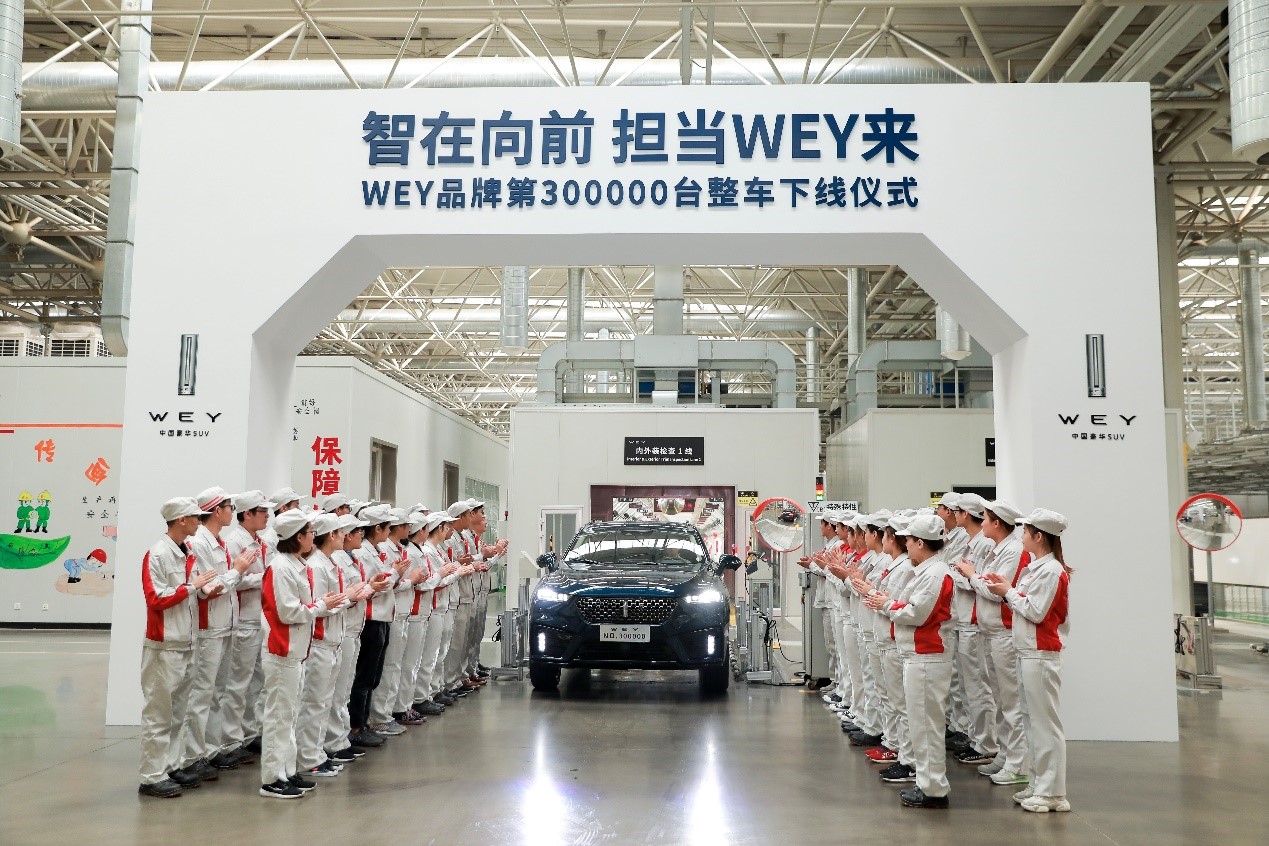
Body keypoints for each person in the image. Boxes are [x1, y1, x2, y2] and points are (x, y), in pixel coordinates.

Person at [984, 508, 1072, 814]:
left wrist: (1007, 592)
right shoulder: (1037, 568)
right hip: (1028, 651)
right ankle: (1038, 784)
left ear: (1039, 536)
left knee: (1045, 725)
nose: (1021, 535)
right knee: (1033, 722)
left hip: (1041, 653)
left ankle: (1052, 792)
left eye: (1025, 531)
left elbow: (1035, 611)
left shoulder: (1052, 571)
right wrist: (1007, 589)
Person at [865, 513, 955, 809]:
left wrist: (887, 605)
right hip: (919, 654)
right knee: (921, 723)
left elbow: (916, 613)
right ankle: (928, 782)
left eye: (910, 541)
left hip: (927, 655)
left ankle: (933, 788)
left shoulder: (935, 574)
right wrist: (891, 604)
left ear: (921, 543)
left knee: (926, 725)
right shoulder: (927, 571)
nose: (907, 546)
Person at [258, 509, 345, 799]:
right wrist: (321, 606)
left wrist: (321, 604)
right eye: (310, 533)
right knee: (279, 716)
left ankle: (287, 770)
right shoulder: (280, 567)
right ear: (298, 537)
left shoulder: (295, 564)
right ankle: (271, 778)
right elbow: (287, 612)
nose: (313, 537)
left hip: (296, 649)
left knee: (290, 715)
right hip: (282, 649)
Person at [138, 497, 220, 798]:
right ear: (181, 520)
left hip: (186, 643)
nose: (200, 521)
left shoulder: (187, 552)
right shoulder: (157, 554)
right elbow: (155, 598)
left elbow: (192, 591)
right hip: (164, 646)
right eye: (195, 517)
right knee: (158, 713)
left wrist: (205, 589)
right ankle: (151, 776)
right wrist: (192, 587)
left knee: (178, 713)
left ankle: (171, 766)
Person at [181, 487, 259, 776]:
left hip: (226, 625)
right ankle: (192, 756)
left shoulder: (219, 542)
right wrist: (237, 571)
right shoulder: (199, 543)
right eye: (229, 507)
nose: (231, 513)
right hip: (209, 628)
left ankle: (212, 749)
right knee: (202, 694)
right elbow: (208, 589)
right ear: (217, 511)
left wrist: (236, 572)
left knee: (218, 692)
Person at [963, 500, 1031, 786]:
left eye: (985, 519)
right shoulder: (997, 550)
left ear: (997, 523)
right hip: (991, 631)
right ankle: (1005, 755)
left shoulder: (1013, 551)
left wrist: (971, 576)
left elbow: (995, 590)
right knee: (1001, 700)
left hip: (1004, 632)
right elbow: (987, 583)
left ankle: (1018, 764)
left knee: (1011, 701)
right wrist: (976, 578)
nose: (982, 524)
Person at [296, 513, 362, 780]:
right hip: (320, 641)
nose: (344, 536)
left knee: (325, 700)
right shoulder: (316, 566)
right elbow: (320, 606)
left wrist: (348, 597)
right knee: (314, 702)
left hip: (334, 639)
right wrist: (349, 598)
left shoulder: (330, 562)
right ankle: (309, 757)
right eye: (339, 532)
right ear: (330, 535)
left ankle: (319, 751)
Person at [214, 491, 274, 763]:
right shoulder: (234, 542)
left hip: (259, 618)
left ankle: (250, 733)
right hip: (243, 621)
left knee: (256, 682)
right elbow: (232, 580)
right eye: (262, 512)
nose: (267, 516)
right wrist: (264, 577)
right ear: (247, 514)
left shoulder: (259, 541)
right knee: (237, 684)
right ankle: (229, 740)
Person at [325, 514, 389, 760]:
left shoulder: (345, 558)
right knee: (335, 692)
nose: (360, 535)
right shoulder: (334, 561)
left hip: (351, 628)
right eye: (353, 532)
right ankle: (335, 741)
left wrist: (368, 587)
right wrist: (364, 591)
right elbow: (336, 599)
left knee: (343, 689)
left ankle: (342, 737)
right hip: (339, 630)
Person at [947, 493, 998, 768]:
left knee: (978, 686)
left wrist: (959, 575)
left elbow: (979, 581)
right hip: (963, 619)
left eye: (956, 511)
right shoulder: (971, 542)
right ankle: (975, 738)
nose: (953, 515)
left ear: (966, 514)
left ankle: (986, 744)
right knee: (968, 686)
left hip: (974, 622)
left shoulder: (984, 544)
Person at [368, 508, 424, 734]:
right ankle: (380, 715)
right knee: (389, 666)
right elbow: (387, 584)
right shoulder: (384, 551)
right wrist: (410, 580)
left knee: (395, 666)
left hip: (398, 611)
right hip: (390, 613)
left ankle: (389, 711)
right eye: (406, 525)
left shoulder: (398, 549)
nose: (409, 529)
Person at [349, 507, 398, 747]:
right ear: (377, 529)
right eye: (388, 527)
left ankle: (364, 722)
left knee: (373, 676)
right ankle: (356, 726)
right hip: (371, 618)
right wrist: (396, 574)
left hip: (381, 616)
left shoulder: (375, 551)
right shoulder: (364, 554)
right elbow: (376, 586)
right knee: (365, 676)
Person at [394, 513, 443, 724]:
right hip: (413, 611)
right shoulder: (412, 554)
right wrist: (442, 574)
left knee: (412, 663)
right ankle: (403, 707)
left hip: (419, 612)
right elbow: (420, 584)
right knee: (407, 664)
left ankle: (407, 704)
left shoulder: (417, 551)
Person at [416, 512, 462, 710]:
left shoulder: (436, 550)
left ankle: (434, 689)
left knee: (438, 653)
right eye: (446, 526)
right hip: (434, 607)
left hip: (441, 606)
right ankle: (423, 695)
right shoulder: (428, 551)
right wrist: (456, 573)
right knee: (428, 656)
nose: (449, 530)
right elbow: (435, 581)